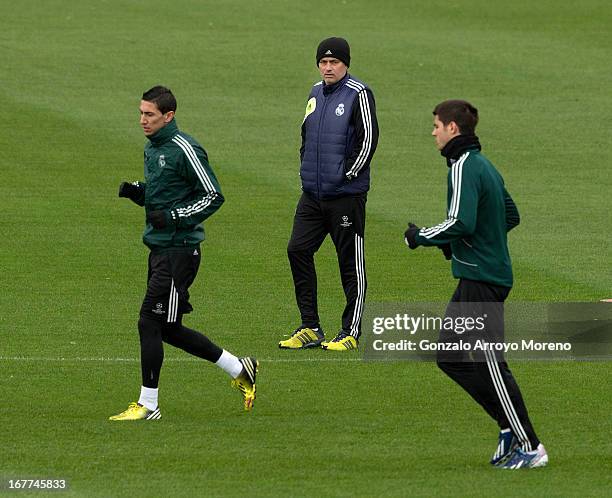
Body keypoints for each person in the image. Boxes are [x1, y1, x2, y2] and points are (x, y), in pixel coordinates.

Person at [403, 100, 548, 468]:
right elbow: (509, 214)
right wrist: (474, 243)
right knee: (449, 356)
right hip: (479, 274)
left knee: (491, 364)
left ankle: (530, 446)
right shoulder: (484, 166)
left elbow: (460, 222)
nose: (433, 132)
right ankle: (507, 428)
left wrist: (420, 237)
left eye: (437, 125)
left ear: (454, 128)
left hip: (483, 278)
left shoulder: (464, 167)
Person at [110, 86, 258, 420]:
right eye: (141, 113)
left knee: (149, 321)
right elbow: (166, 195)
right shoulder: (153, 148)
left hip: (179, 253)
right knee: (168, 328)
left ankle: (149, 405)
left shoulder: (184, 148)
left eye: (149, 114)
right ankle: (240, 368)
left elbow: (213, 195)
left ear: (169, 116)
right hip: (160, 249)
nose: (142, 120)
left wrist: (175, 216)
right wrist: (140, 193)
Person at [279, 37, 379, 351]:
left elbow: (369, 139)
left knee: (350, 262)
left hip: (345, 195)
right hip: (313, 193)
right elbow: (306, 135)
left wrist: (346, 174)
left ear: (345, 64)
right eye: (323, 62)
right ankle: (310, 325)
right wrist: (305, 170)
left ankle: (350, 331)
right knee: (297, 249)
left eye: (334, 62)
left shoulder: (358, 93)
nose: (328, 67)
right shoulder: (315, 92)